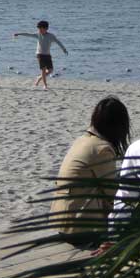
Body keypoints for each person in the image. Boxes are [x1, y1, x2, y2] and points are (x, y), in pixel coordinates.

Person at [49, 96, 130, 246]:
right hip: (80, 227)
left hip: (61, 221)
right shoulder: (102, 149)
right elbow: (111, 194)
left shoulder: (82, 140)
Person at [13, 20, 68, 90]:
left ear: (46, 29)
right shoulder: (38, 35)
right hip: (40, 55)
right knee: (43, 69)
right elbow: (28, 34)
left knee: (50, 70)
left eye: (40, 29)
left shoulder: (51, 36)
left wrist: (64, 49)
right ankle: (45, 85)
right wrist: (18, 34)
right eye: (38, 29)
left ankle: (40, 77)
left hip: (47, 55)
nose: (39, 30)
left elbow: (58, 42)